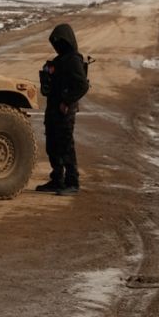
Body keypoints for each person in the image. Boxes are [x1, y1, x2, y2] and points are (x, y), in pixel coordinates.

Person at [35, 23, 90, 195]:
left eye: (60, 41)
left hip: (64, 110)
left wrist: (66, 101)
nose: (57, 45)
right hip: (53, 107)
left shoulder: (74, 59)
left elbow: (82, 85)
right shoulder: (60, 60)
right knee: (52, 145)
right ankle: (57, 179)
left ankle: (72, 182)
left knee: (65, 145)